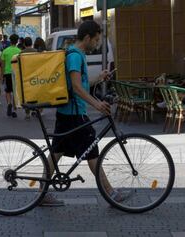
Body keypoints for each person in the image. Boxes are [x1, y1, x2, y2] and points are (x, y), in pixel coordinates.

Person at [39, 20, 126, 206]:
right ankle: (111, 194)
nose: (97, 44)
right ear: (87, 38)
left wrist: (99, 77)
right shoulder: (75, 56)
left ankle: (41, 193)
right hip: (75, 115)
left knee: (56, 152)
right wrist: (97, 104)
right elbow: (77, 88)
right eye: (95, 40)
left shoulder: (76, 53)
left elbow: (80, 84)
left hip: (67, 113)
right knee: (92, 153)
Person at [1, 34, 21, 118]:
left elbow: (2, 64)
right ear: (17, 41)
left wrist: (2, 75)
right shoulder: (20, 51)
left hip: (7, 73)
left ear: (10, 40)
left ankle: (9, 103)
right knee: (15, 92)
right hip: (16, 73)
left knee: (8, 90)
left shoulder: (5, 51)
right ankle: (14, 109)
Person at [20, 37, 38, 120]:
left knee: (27, 94)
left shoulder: (21, 53)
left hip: (25, 75)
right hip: (35, 75)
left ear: (24, 44)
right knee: (36, 93)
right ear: (32, 43)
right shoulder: (36, 52)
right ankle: (37, 109)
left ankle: (27, 113)